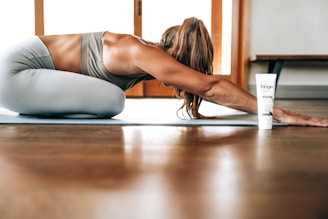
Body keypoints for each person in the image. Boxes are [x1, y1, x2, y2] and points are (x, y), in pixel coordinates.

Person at [0, 17, 327, 127]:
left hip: (19, 74)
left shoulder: (142, 52)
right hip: (15, 73)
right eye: (185, 67)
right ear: (175, 56)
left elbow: (206, 86)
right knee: (113, 100)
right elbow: (210, 87)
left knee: (109, 98)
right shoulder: (140, 51)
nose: (183, 78)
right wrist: (279, 112)